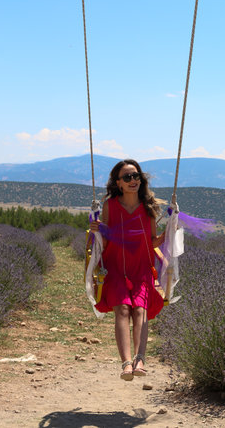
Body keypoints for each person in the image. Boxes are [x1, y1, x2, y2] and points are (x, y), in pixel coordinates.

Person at [89, 159, 165, 381]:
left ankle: (139, 359)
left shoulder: (148, 207)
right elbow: (106, 236)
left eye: (136, 176)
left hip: (141, 268)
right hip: (115, 268)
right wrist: (97, 229)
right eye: (127, 177)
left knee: (140, 310)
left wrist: (169, 232)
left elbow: (152, 242)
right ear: (119, 183)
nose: (133, 180)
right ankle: (125, 364)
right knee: (122, 309)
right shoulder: (110, 206)